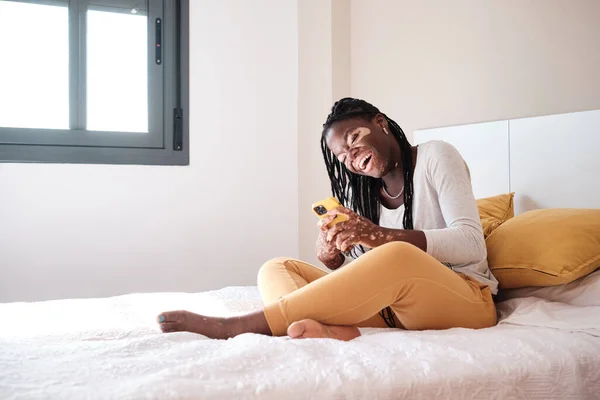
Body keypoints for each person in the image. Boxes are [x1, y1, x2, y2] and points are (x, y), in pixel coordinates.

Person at [157, 98, 498, 340]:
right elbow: (365, 273)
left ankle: (239, 326)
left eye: (354, 139)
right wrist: (332, 255)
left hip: (465, 299)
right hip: (393, 309)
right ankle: (333, 332)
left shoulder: (436, 156)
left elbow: (470, 243)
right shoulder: (362, 192)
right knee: (277, 267)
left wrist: (377, 235)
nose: (352, 157)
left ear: (380, 123)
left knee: (396, 253)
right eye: (342, 155)